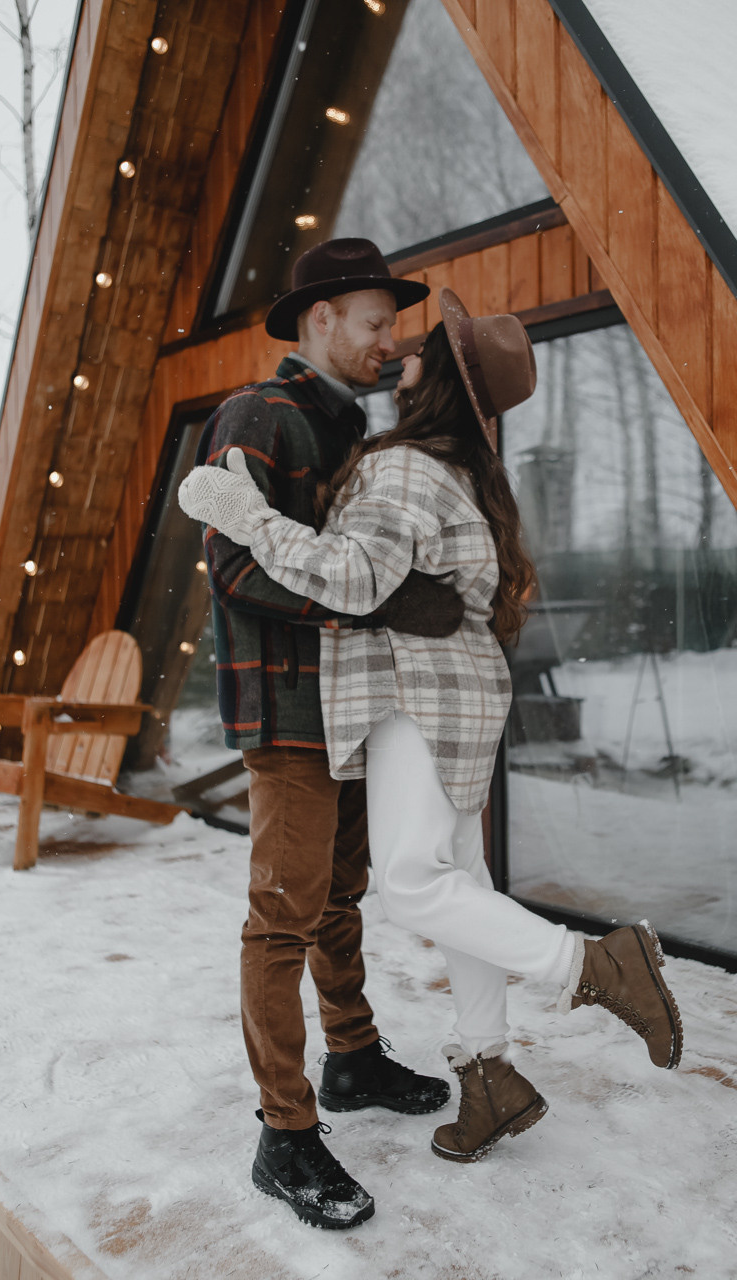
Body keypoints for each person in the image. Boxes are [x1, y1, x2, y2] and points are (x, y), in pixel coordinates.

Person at [180, 289, 684, 1198]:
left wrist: (245, 515)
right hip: (454, 697)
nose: (399, 353)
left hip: (417, 696)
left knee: (413, 882)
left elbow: (355, 573)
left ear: (440, 380)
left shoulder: (407, 464)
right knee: (462, 882)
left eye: (413, 351)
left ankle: (597, 966)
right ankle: (486, 1072)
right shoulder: (454, 463)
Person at [194, 240, 469, 1232]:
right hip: (289, 715)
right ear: (319, 320)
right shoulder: (259, 416)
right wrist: (374, 606)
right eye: (372, 320)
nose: (386, 340)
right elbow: (232, 563)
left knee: (337, 896)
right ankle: (284, 1130)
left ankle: (349, 1056)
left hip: (352, 708)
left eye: (390, 324)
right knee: (281, 915)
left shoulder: (353, 430)